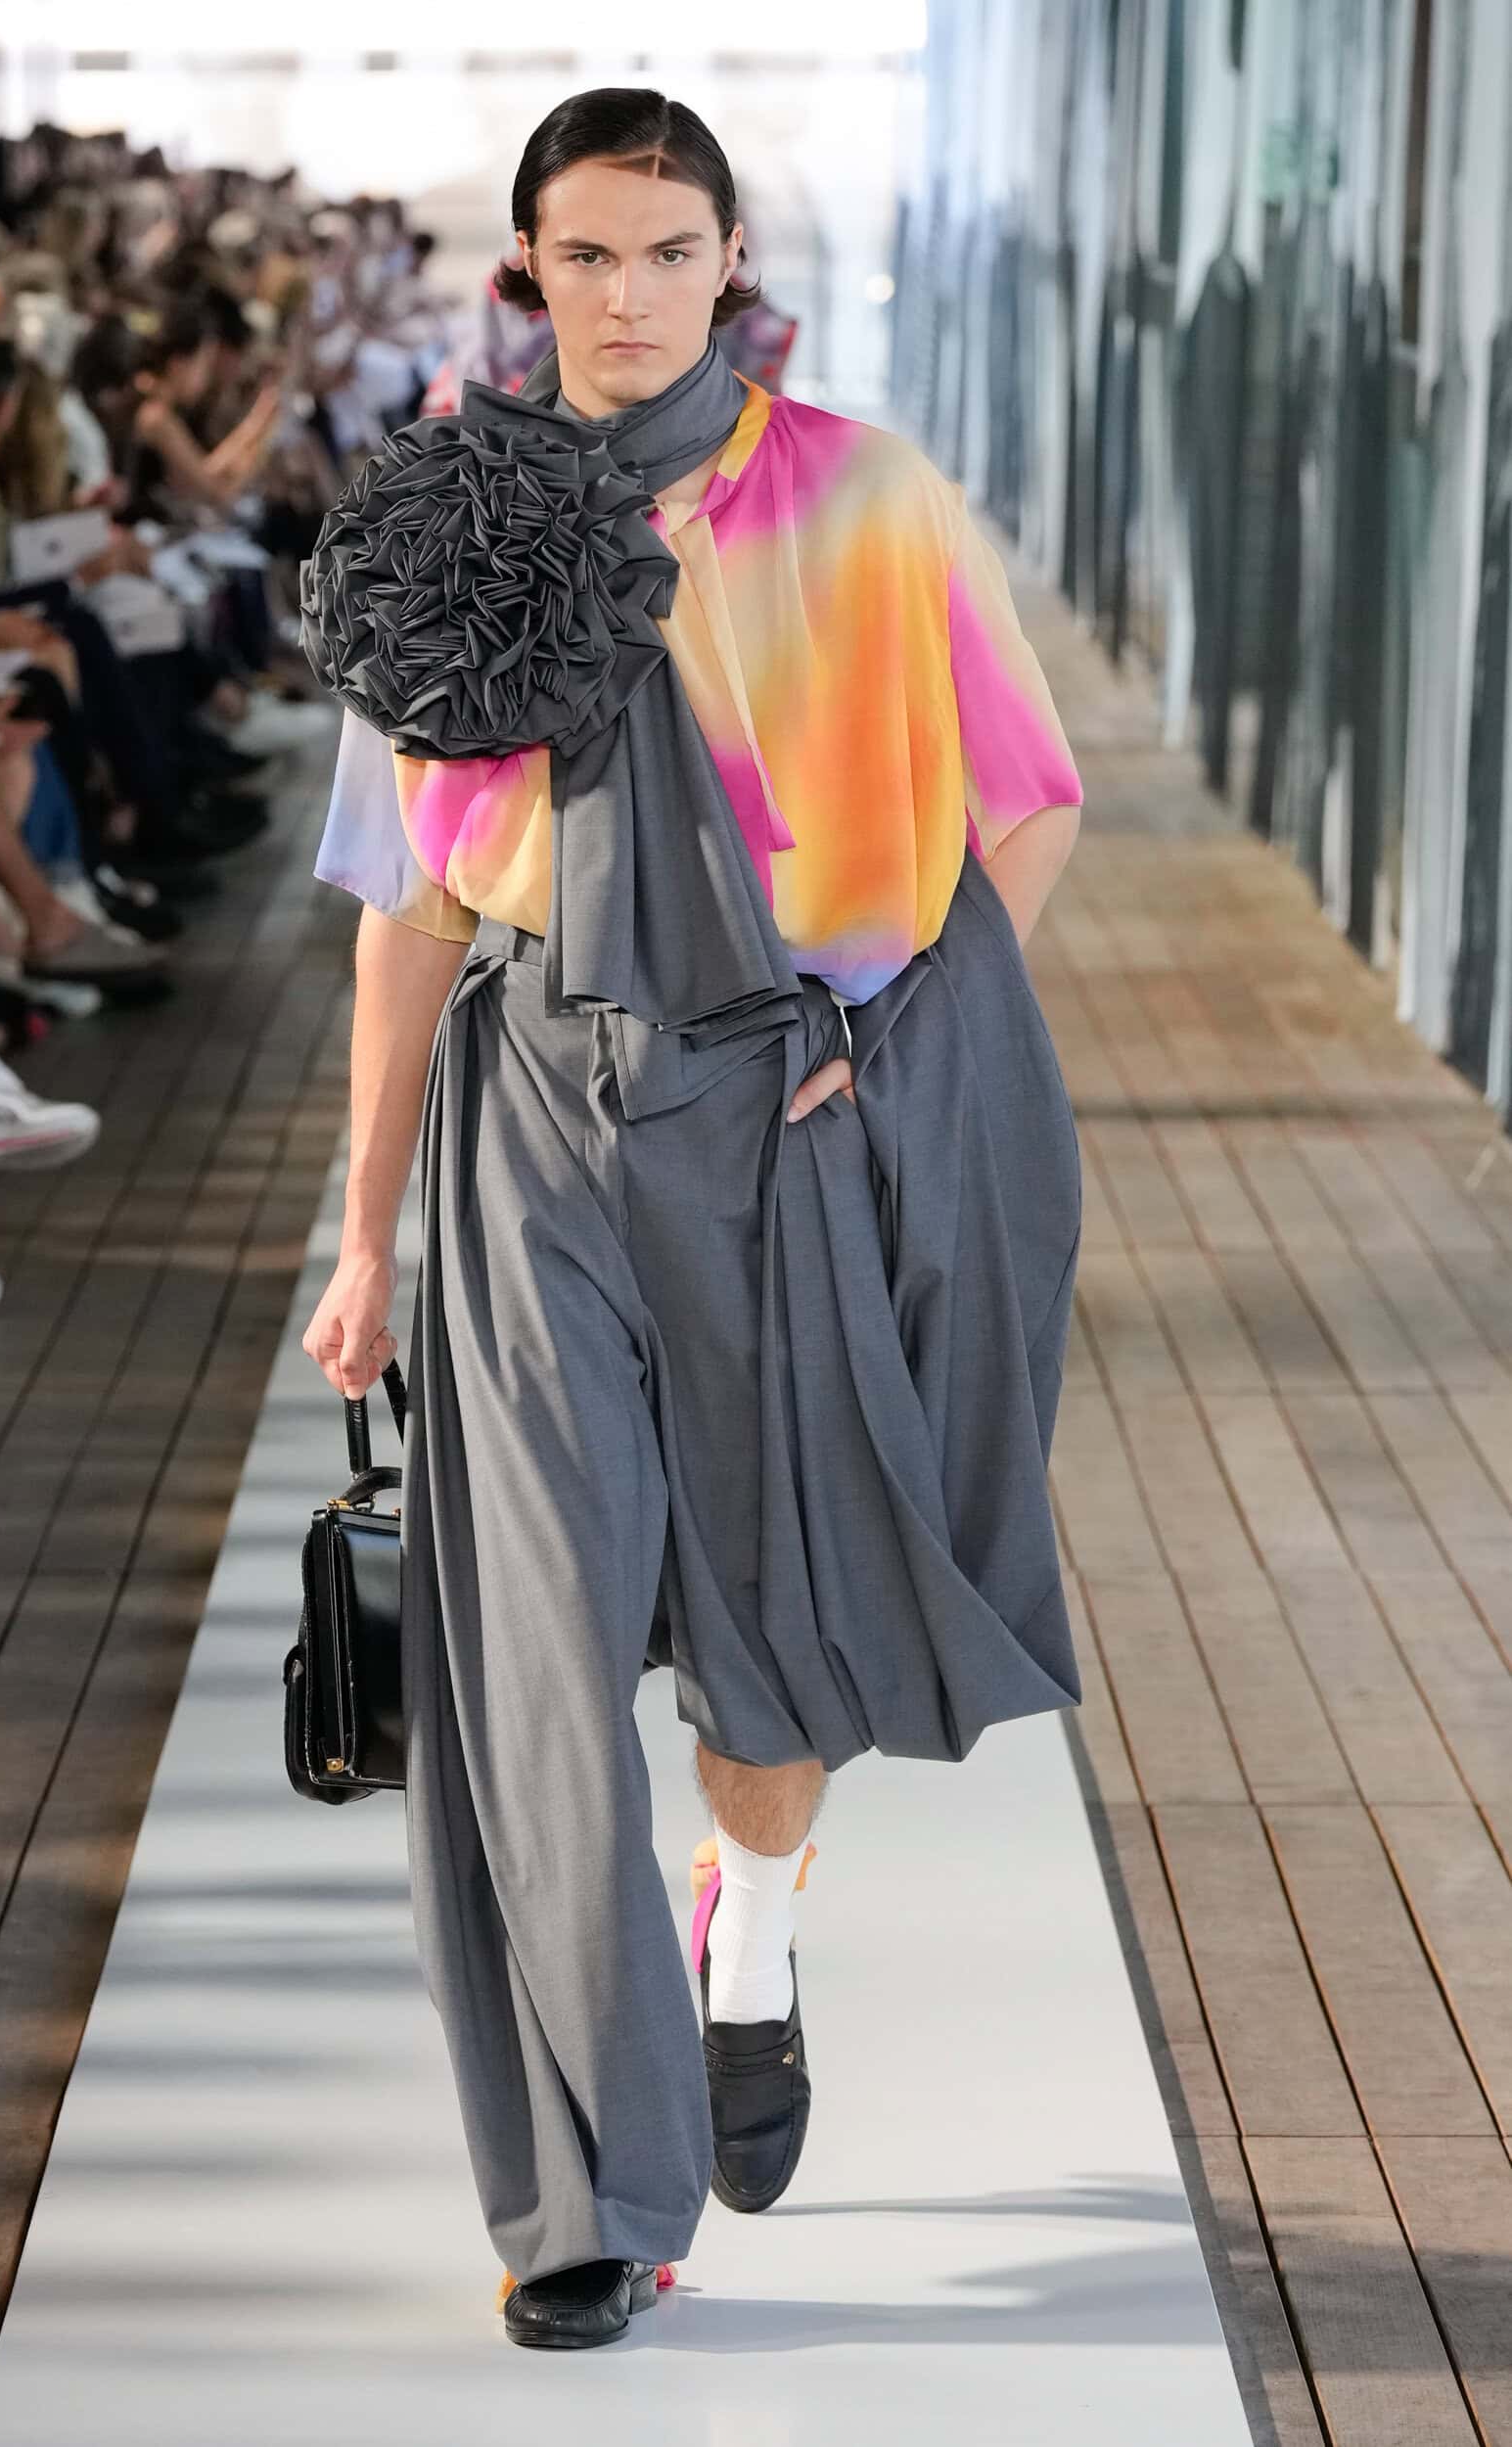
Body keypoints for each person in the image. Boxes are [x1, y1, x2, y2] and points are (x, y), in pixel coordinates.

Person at [300, 87, 1083, 2353]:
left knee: (770, 1623)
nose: (629, 296)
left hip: (778, 1109)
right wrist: (365, 1228)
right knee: (537, 1658)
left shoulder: (867, 499)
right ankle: (593, 2196)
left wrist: (895, 1046)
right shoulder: (445, 520)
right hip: (530, 1101)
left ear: (731, 257)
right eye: (587, 254)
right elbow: (405, 908)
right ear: (527, 267)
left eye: (669, 251)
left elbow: (1024, 808)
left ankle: (754, 1914)